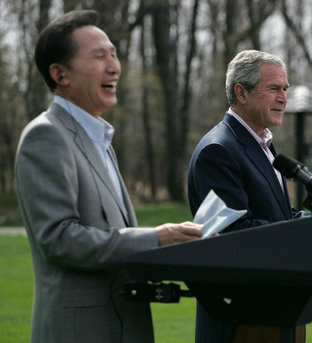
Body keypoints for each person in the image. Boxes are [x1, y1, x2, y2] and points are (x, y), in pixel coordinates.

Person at [15, 10, 202, 343]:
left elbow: (114, 237)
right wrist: (156, 238)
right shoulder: (45, 137)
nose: (114, 66)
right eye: (98, 56)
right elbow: (59, 240)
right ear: (60, 74)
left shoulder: (99, 140)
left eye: (114, 54)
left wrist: (177, 245)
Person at [188, 50, 307, 342]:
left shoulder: (262, 144)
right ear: (242, 93)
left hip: (271, 307)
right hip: (239, 318)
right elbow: (232, 234)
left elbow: (278, 214)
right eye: (274, 89)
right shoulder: (219, 150)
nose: (283, 98)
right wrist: (303, 234)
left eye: (285, 89)